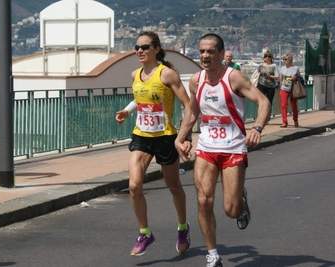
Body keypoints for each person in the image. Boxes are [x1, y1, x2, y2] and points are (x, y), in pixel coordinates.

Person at [174, 33, 271, 267]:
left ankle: (241, 202)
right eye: (201, 51)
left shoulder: (233, 77)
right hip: (207, 147)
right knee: (204, 201)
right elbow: (193, 111)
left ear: (220, 53)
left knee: (231, 209)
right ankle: (213, 255)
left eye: (210, 51)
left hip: (233, 148)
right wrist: (181, 137)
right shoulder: (196, 81)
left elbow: (264, 102)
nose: (205, 56)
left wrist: (257, 128)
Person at [115, 31, 191, 257]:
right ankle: (145, 232)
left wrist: (185, 137)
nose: (140, 50)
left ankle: (183, 228)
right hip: (142, 137)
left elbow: (188, 105)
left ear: (156, 49)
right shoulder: (135, 74)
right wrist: (127, 111)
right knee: (134, 186)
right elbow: (140, 98)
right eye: (137, 47)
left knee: (174, 186)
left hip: (166, 137)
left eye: (145, 47)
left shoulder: (167, 75)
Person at [252, 50, 279, 119]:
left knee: (269, 102)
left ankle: (267, 117)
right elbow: (255, 74)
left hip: (270, 86)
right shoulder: (261, 66)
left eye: (269, 56)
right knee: (261, 101)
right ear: (264, 58)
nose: (267, 58)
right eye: (266, 56)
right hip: (261, 85)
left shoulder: (274, 66)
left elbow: (277, 76)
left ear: (271, 58)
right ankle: (260, 117)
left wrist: (270, 76)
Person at [279, 54, 300, 128]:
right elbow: (281, 79)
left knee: (293, 106)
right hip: (284, 89)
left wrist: (296, 77)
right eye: (284, 59)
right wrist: (280, 89)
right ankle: (284, 122)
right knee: (283, 106)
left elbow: (300, 78)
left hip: (293, 89)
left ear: (290, 60)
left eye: (286, 59)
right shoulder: (282, 68)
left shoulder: (296, 68)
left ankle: (295, 120)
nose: (284, 61)